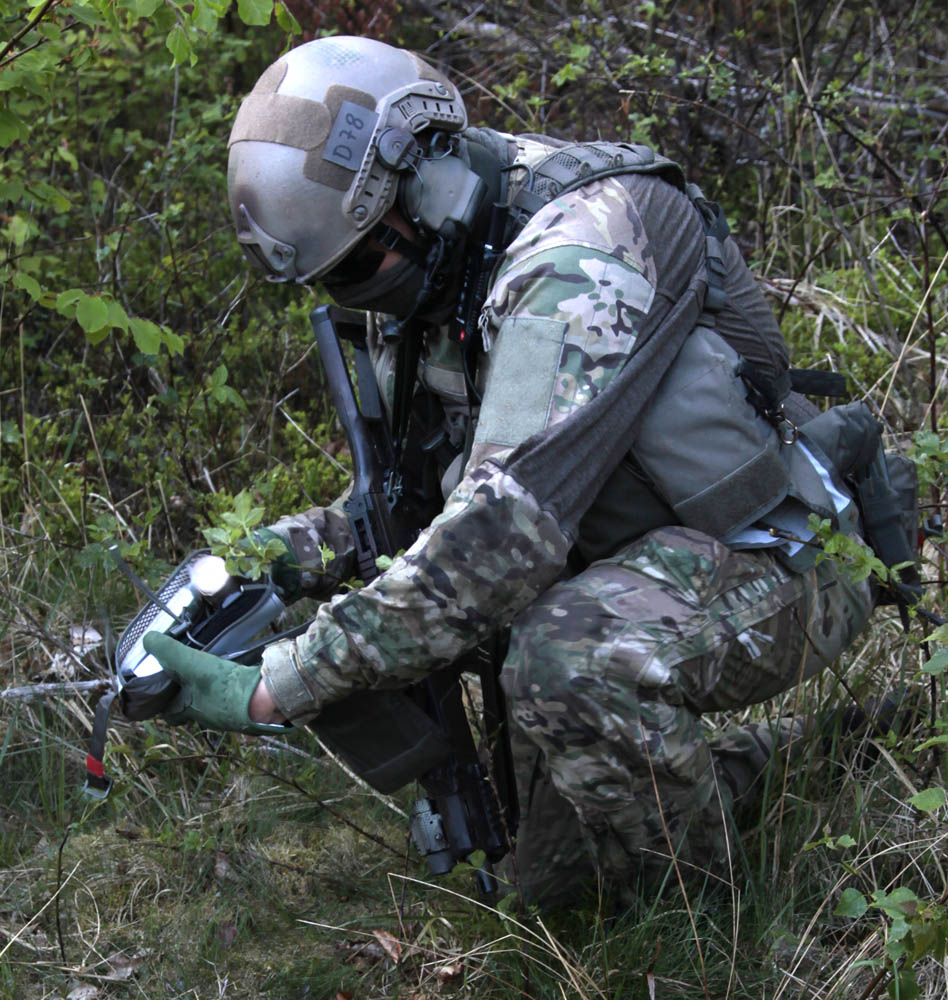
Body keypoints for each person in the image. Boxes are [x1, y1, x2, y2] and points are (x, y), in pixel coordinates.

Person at [145, 35, 874, 907]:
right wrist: (277, 556)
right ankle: (813, 752)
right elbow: (421, 503)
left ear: (425, 175)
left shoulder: (580, 256)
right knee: (560, 896)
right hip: (624, 561)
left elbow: (502, 532)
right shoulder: (436, 261)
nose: (360, 296)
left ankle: (714, 925)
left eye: (365, 262)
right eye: (337, 282)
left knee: (568, 661)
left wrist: (282, 684)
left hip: (783, 554)